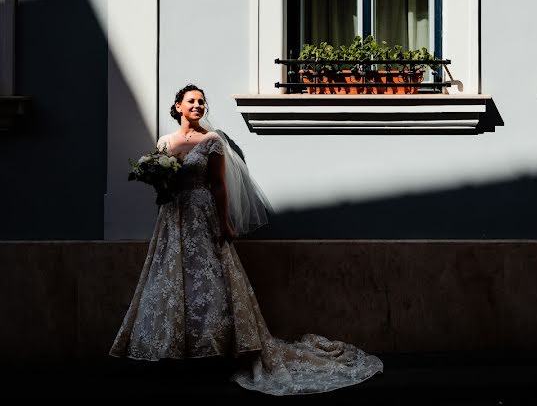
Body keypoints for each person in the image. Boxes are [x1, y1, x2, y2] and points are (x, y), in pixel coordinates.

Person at [110, 84, 383, 395]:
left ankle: (217, 349)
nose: (198, 106)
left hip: (202, 214)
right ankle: (176, 346)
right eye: (192, 101)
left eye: (202, 102)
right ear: (178, 107)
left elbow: (218, 185)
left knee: (210, 280)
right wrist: (157, 181)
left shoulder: (211, 141)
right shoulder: (165, 142)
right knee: (171, 278)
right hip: (173, 218)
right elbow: (163, 183)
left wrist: (224, 222)